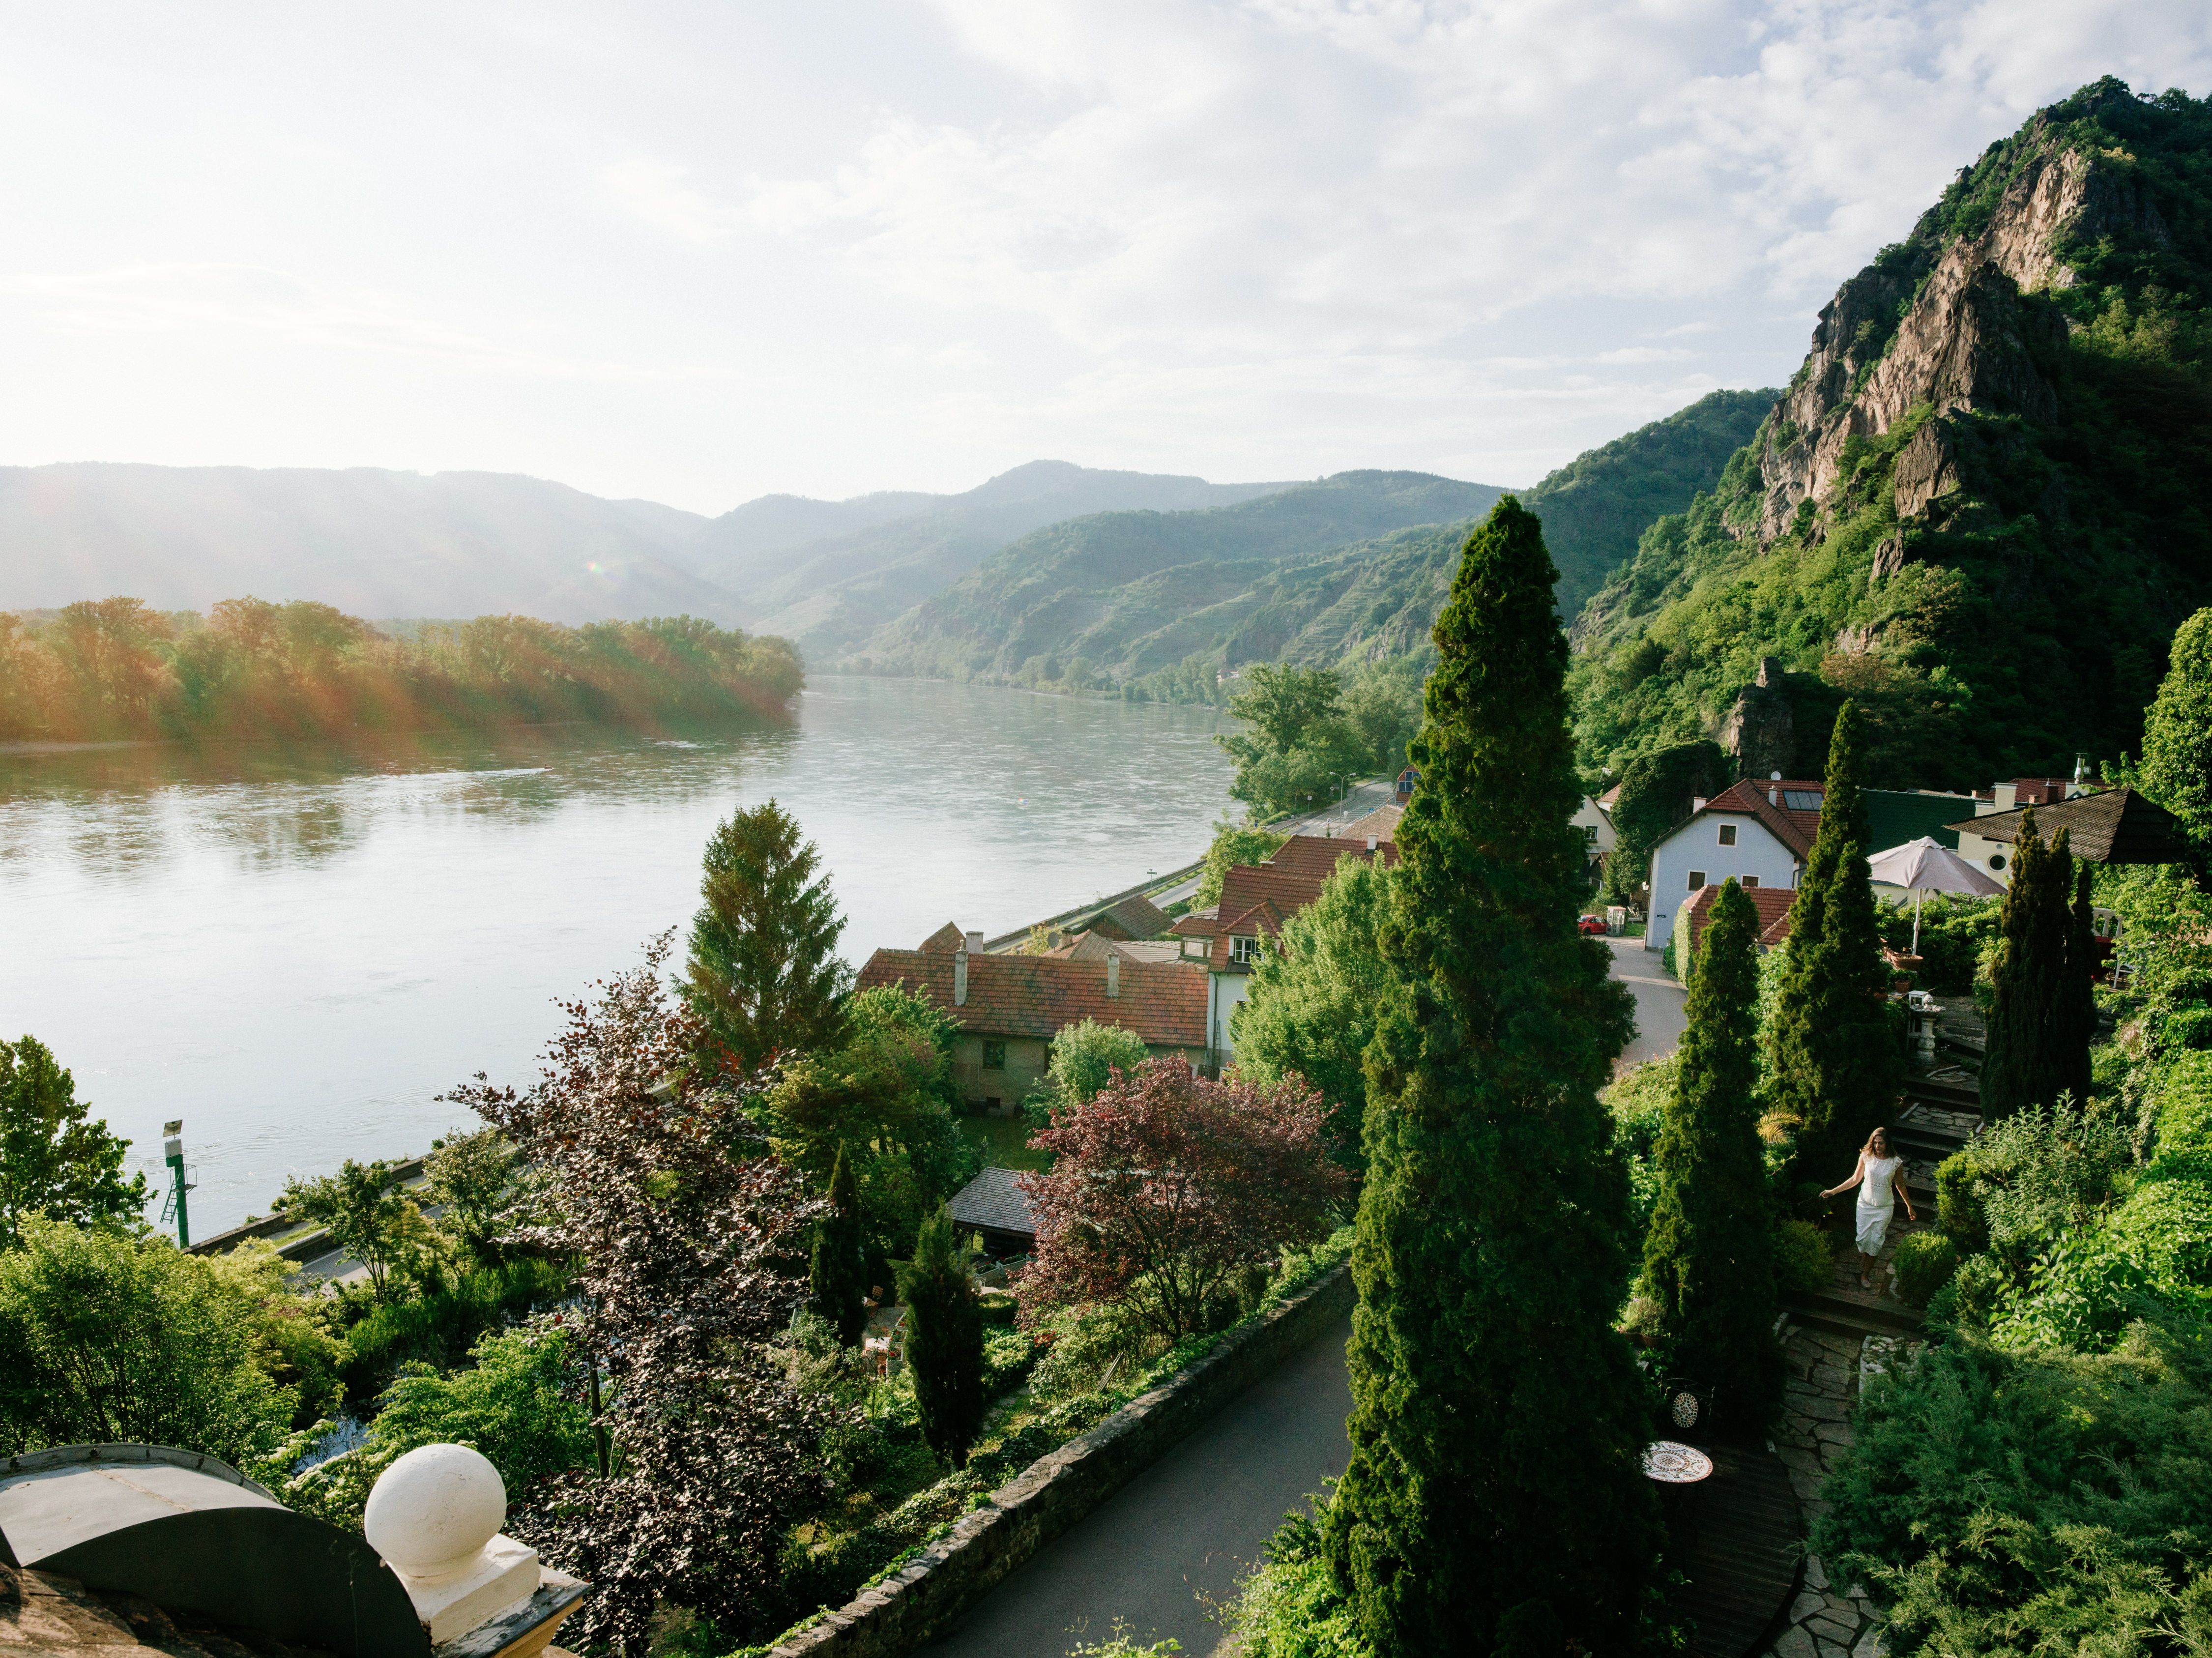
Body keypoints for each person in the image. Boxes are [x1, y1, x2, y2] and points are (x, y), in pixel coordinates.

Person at [1821, 1127, 1916, 1293]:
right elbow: (1855, 1179)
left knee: (1876, 1242)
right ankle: (1865, 1260)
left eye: (1882, 1143)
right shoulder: (1866, 1157)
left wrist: (1909, 1207)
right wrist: (1833, 1191)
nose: (1878, 1146)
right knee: (1863, 1240)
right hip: (1865, 1205)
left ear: (1888, 1144)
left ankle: (1865, 1275)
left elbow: (1900, 1185)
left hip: (1884, 1208)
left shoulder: (1896, 1162)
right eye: (1876, 1142)